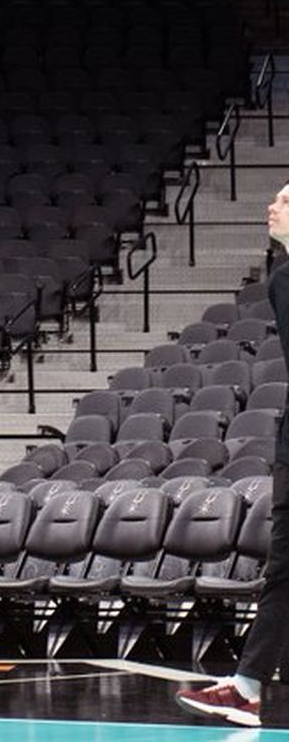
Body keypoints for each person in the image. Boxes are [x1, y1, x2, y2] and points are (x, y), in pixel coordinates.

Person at [175, 181, 289, 729]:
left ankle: (247, 688)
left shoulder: (286, 276)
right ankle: (246, 687)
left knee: (284, 569)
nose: (271, 204)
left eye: (286, 200)